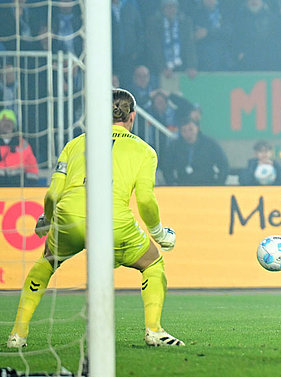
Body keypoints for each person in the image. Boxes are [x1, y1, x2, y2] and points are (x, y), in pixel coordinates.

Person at [7, 89, 184, 348]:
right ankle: (154, 331)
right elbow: (146, 201)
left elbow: (53, 193)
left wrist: (46, 220)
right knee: (153, 263)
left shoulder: (75, 144)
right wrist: (158, 233)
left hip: (69, 216)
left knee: (46, 263)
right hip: (112, 220)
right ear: (132, 117)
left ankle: (17, 335)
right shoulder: (145, 151)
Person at [161, 118, 229, 186]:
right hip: (183, 186)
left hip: (207, 185)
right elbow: (167, 167)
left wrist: (218, 184)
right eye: (184, 131)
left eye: (191, 129)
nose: (188, 133)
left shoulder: (210, 144)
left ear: (197, 128)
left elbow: (223, 164)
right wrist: (172, 183)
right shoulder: (174, 146)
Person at [0, 109, 39, 187]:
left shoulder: (23, 144)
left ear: (14, 125)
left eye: (10, 121)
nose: (6, 124)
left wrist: (30, 186)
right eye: (3, 121)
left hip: (19, 187)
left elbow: (32, 166)